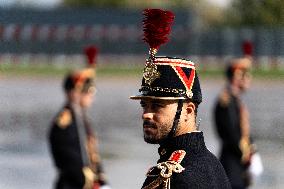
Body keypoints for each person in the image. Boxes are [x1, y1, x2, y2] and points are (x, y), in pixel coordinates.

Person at [130, 9, 231, 189]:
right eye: (144, 105)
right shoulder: (212, 164)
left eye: (158, 105)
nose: (146, 114)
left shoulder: (174, 178)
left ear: (188, 110)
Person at [48, 46, 110, 189]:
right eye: (88, 93)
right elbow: (70, 162)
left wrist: (102, 181)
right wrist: (87, 182)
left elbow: (93, 155)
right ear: (74, 93)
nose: (91, 98)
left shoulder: (82, 119)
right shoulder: (63, 123)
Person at [213, 57, 253, 189]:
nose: (249, 79)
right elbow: (231, 136)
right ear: (237, 76)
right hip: (231, 169)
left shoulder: (235, 101)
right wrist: (245, 152)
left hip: (238, 168)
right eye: (246, 75)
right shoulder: (226, 102)